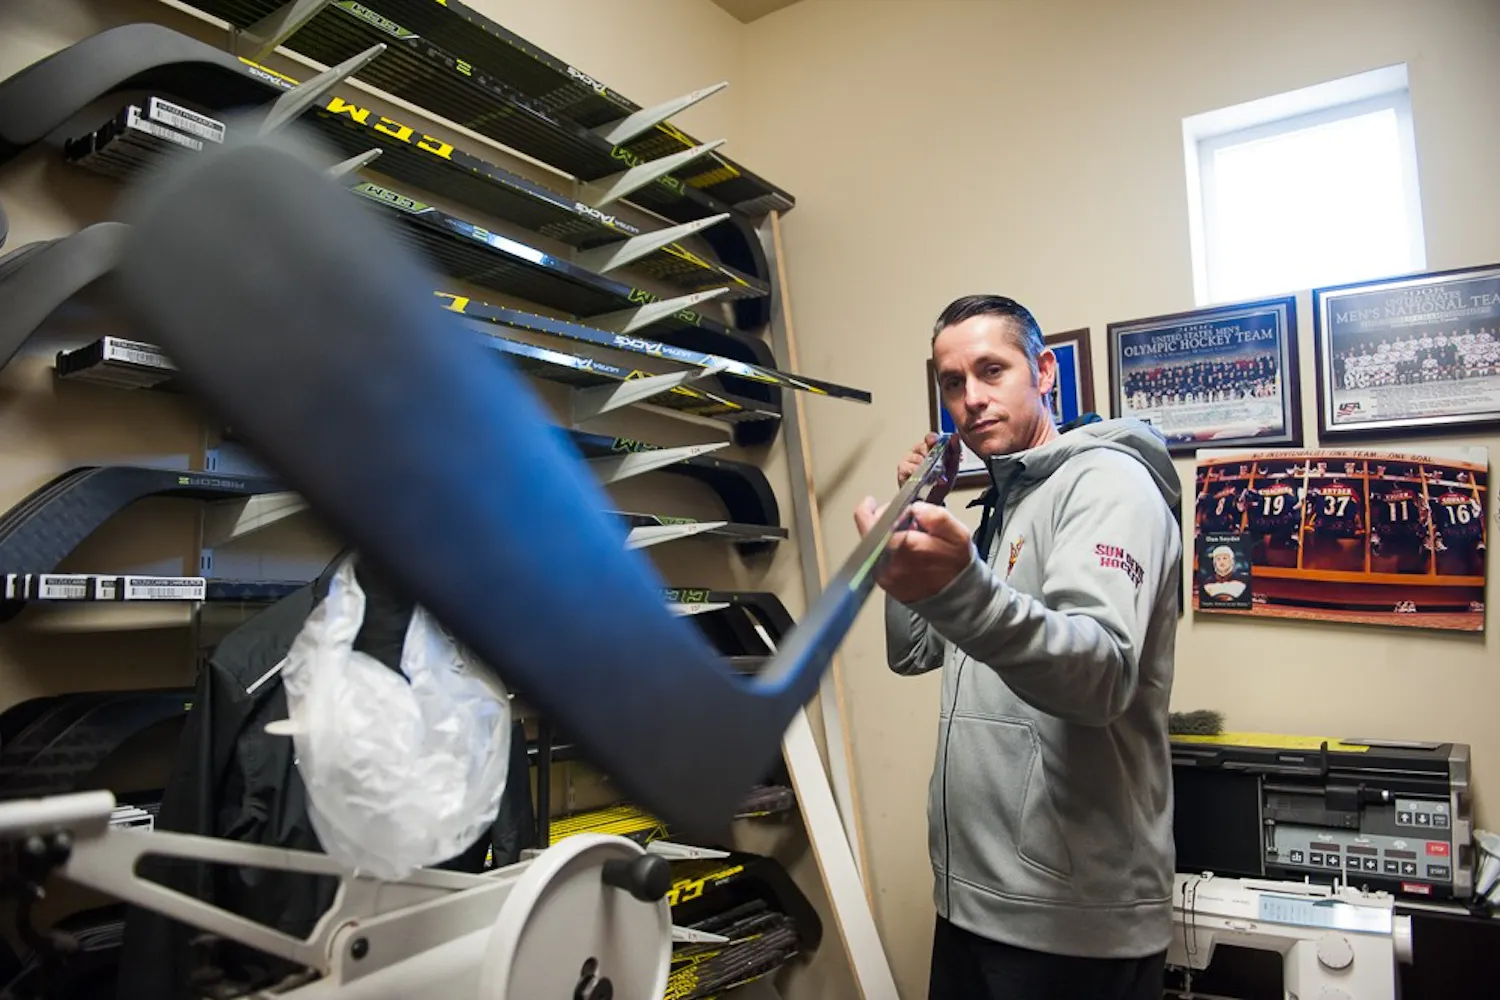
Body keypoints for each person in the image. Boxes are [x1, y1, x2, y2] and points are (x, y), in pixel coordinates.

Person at [852, 294, 1181, 1000]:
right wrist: (920, 509)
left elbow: (1100, 677)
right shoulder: (1001, 503)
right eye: (951, 383)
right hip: (974, 903)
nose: (970, 400)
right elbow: (913, 653)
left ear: (1044, 370)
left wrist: (967, 590)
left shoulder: (1108, 484)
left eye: (991, 370)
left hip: (1069, 925)